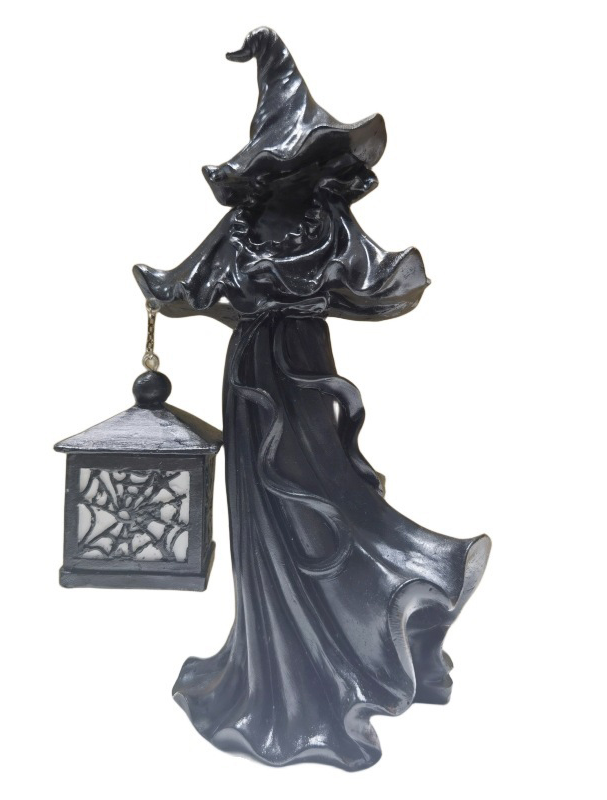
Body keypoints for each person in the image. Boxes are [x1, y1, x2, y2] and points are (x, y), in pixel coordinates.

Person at [134, 27, 490, 771]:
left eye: (309, 160)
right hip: (250, 376)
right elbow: (194, 283)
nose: (296, 173)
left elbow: (375, 279)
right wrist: (163, 294)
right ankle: (274, 669)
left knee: (319, 497)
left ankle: (376, 624)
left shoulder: (328, 225)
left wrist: (379, 282)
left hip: (301, 367)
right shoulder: (240, 229)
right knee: (265, 514)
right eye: (284, 163)